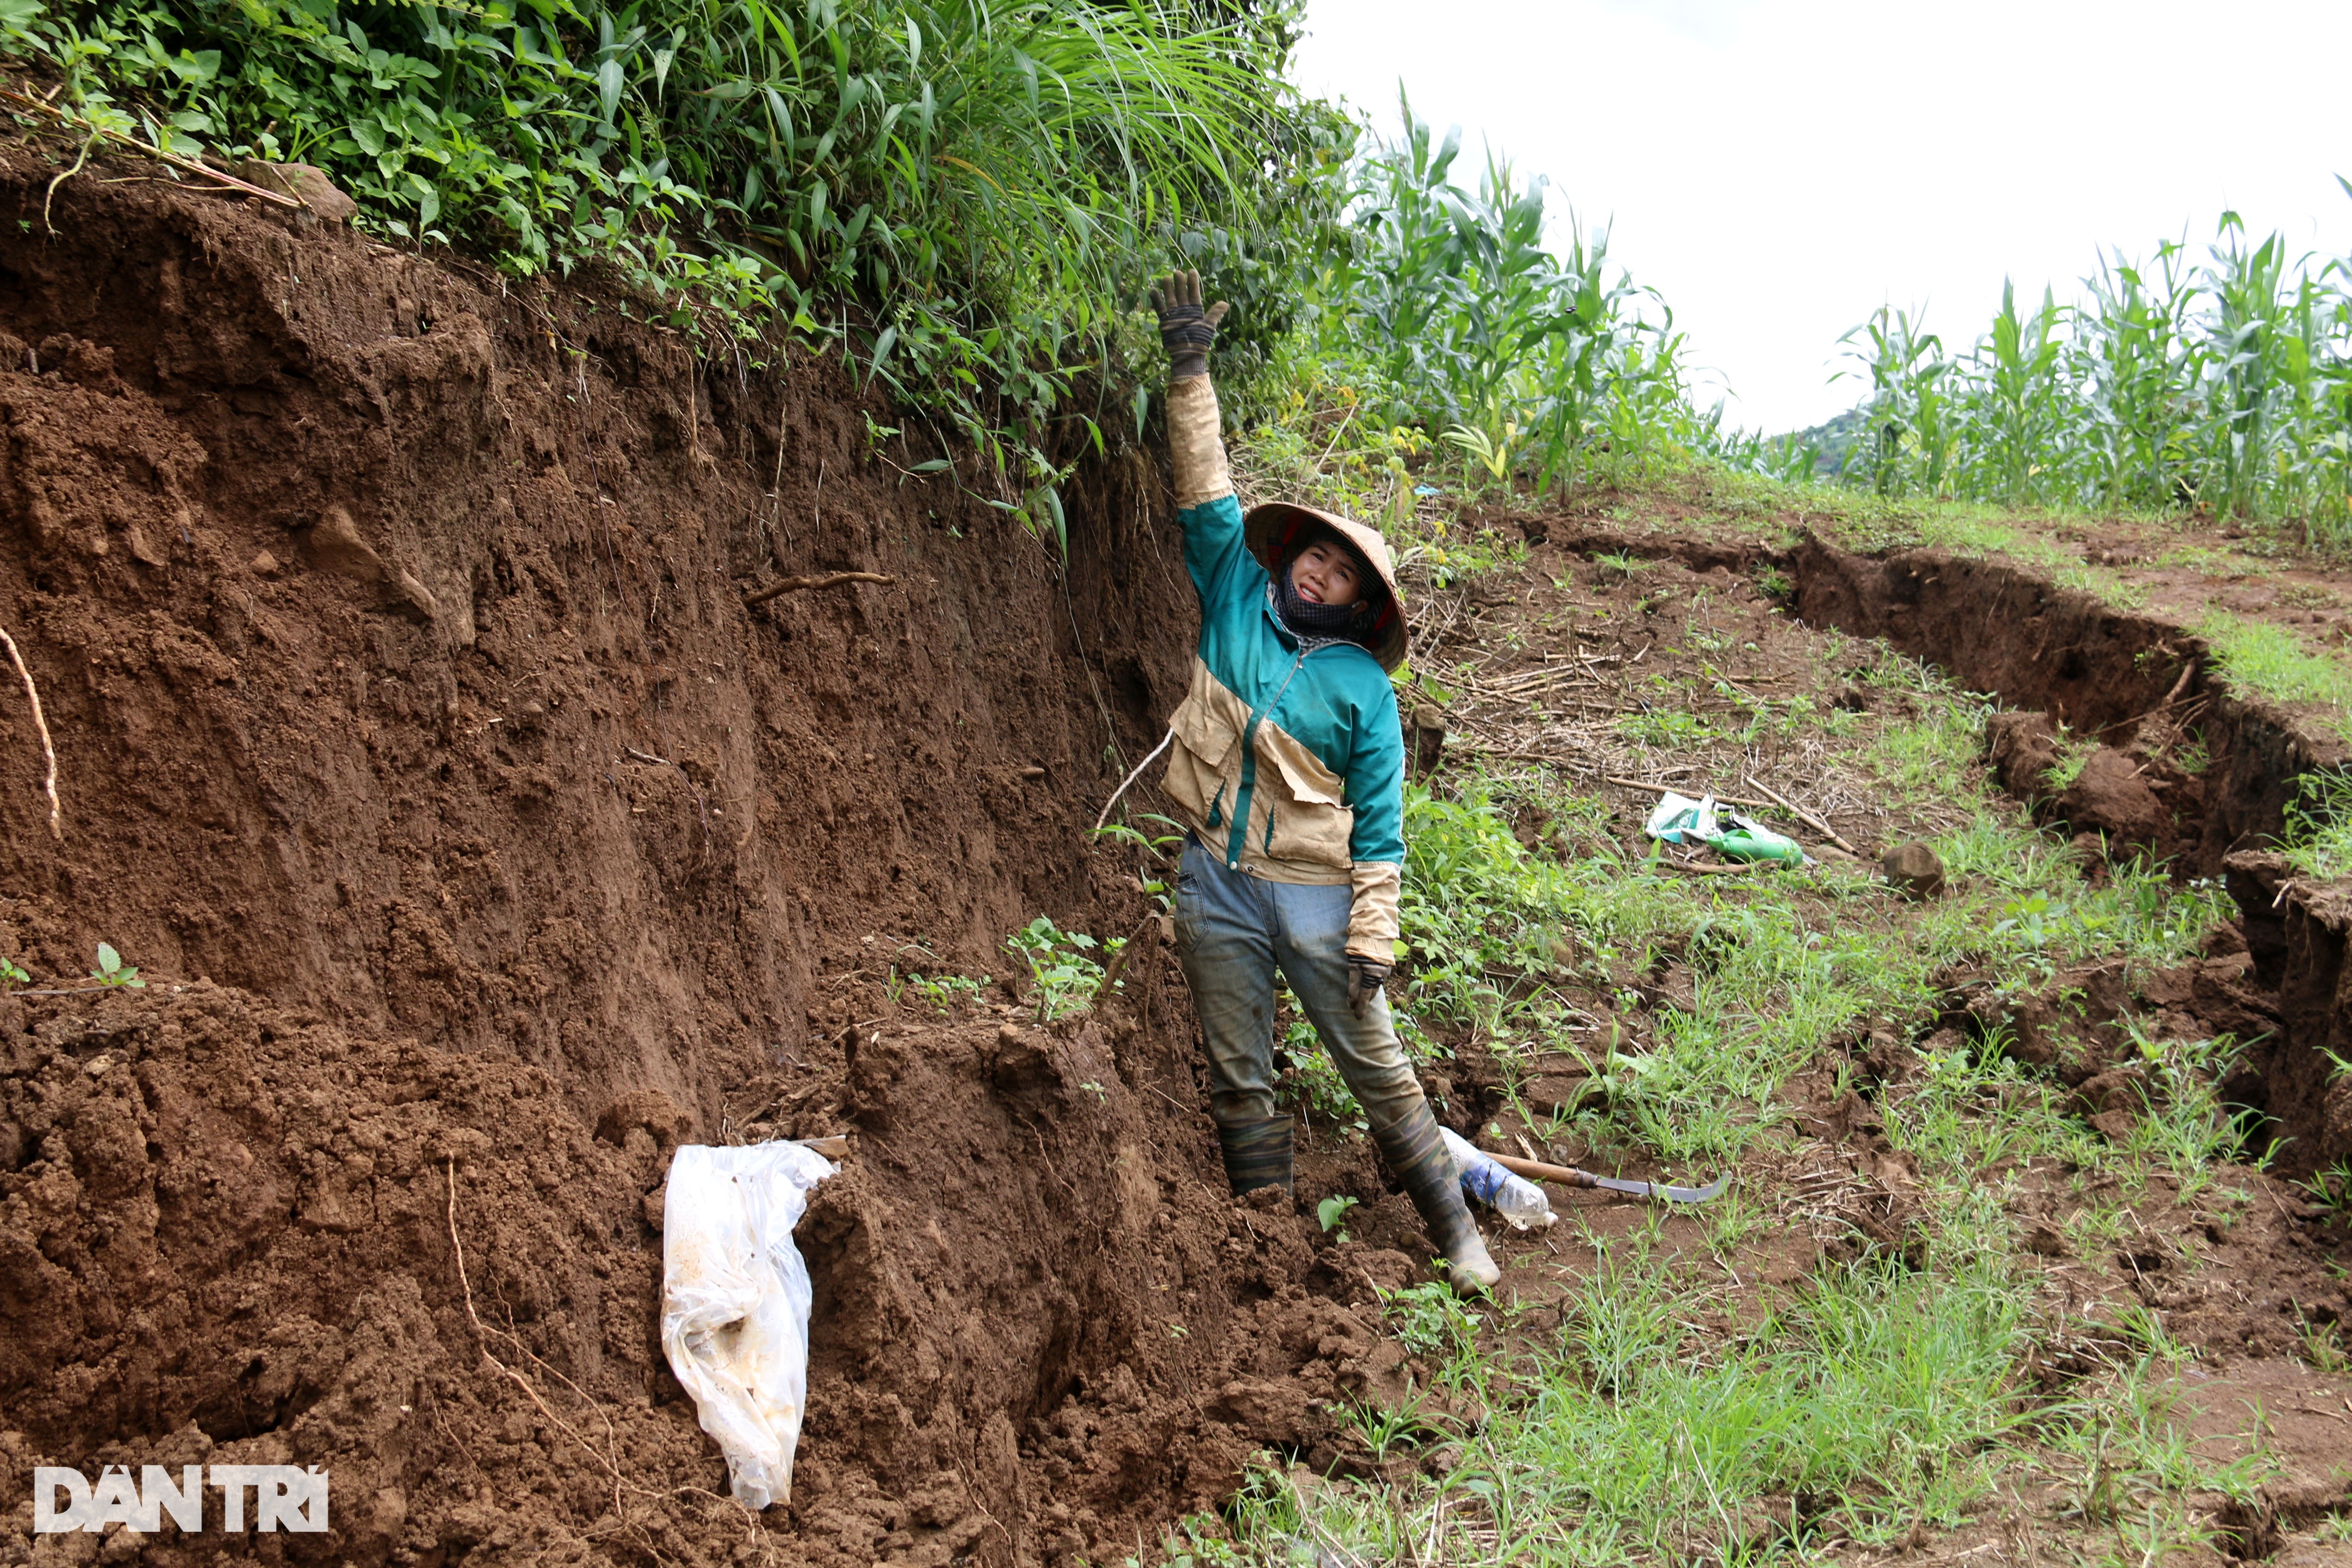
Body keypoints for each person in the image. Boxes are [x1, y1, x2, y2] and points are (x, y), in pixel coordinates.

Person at [1146, 270, 1499, 1295]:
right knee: (1237, 1073)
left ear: (1360, 606)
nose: (1319, 579)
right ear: (1291, 553)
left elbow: (1381, 826)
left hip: (1314, 899)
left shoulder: (1361, 693)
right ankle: (1264, 1247)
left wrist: (1373, 933)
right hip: (1215, 879)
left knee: (1379, 1073)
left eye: (1344, 577)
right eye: (1315, 560)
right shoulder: (1232, 594)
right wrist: (1191, 369)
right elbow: (1205, 486)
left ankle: (1457, 1237)